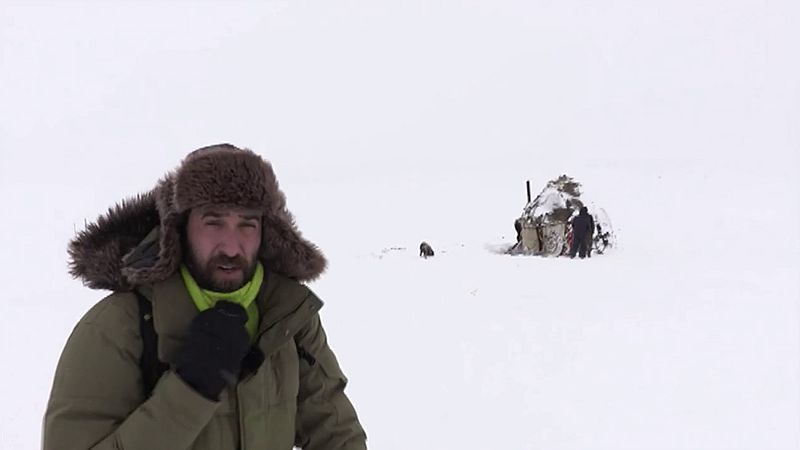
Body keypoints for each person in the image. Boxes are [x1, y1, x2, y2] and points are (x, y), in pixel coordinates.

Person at [43, 144, 367, 450]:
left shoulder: (287, 317)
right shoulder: (117, 326)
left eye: (247, 225)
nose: (230, 246)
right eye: (213, 222)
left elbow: (337, 434)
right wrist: (189, 390)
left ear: (265, 232)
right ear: (180, 229)